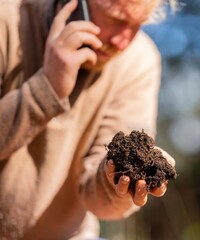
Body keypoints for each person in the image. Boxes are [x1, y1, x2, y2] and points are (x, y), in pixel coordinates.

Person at [0, 0, 177, 238]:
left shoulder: (138, 61)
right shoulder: (7, 21)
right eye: (116, 19)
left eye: (138, 24)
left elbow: (99, 196)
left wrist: (117, 180)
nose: (122, 41)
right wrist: (46, 90)